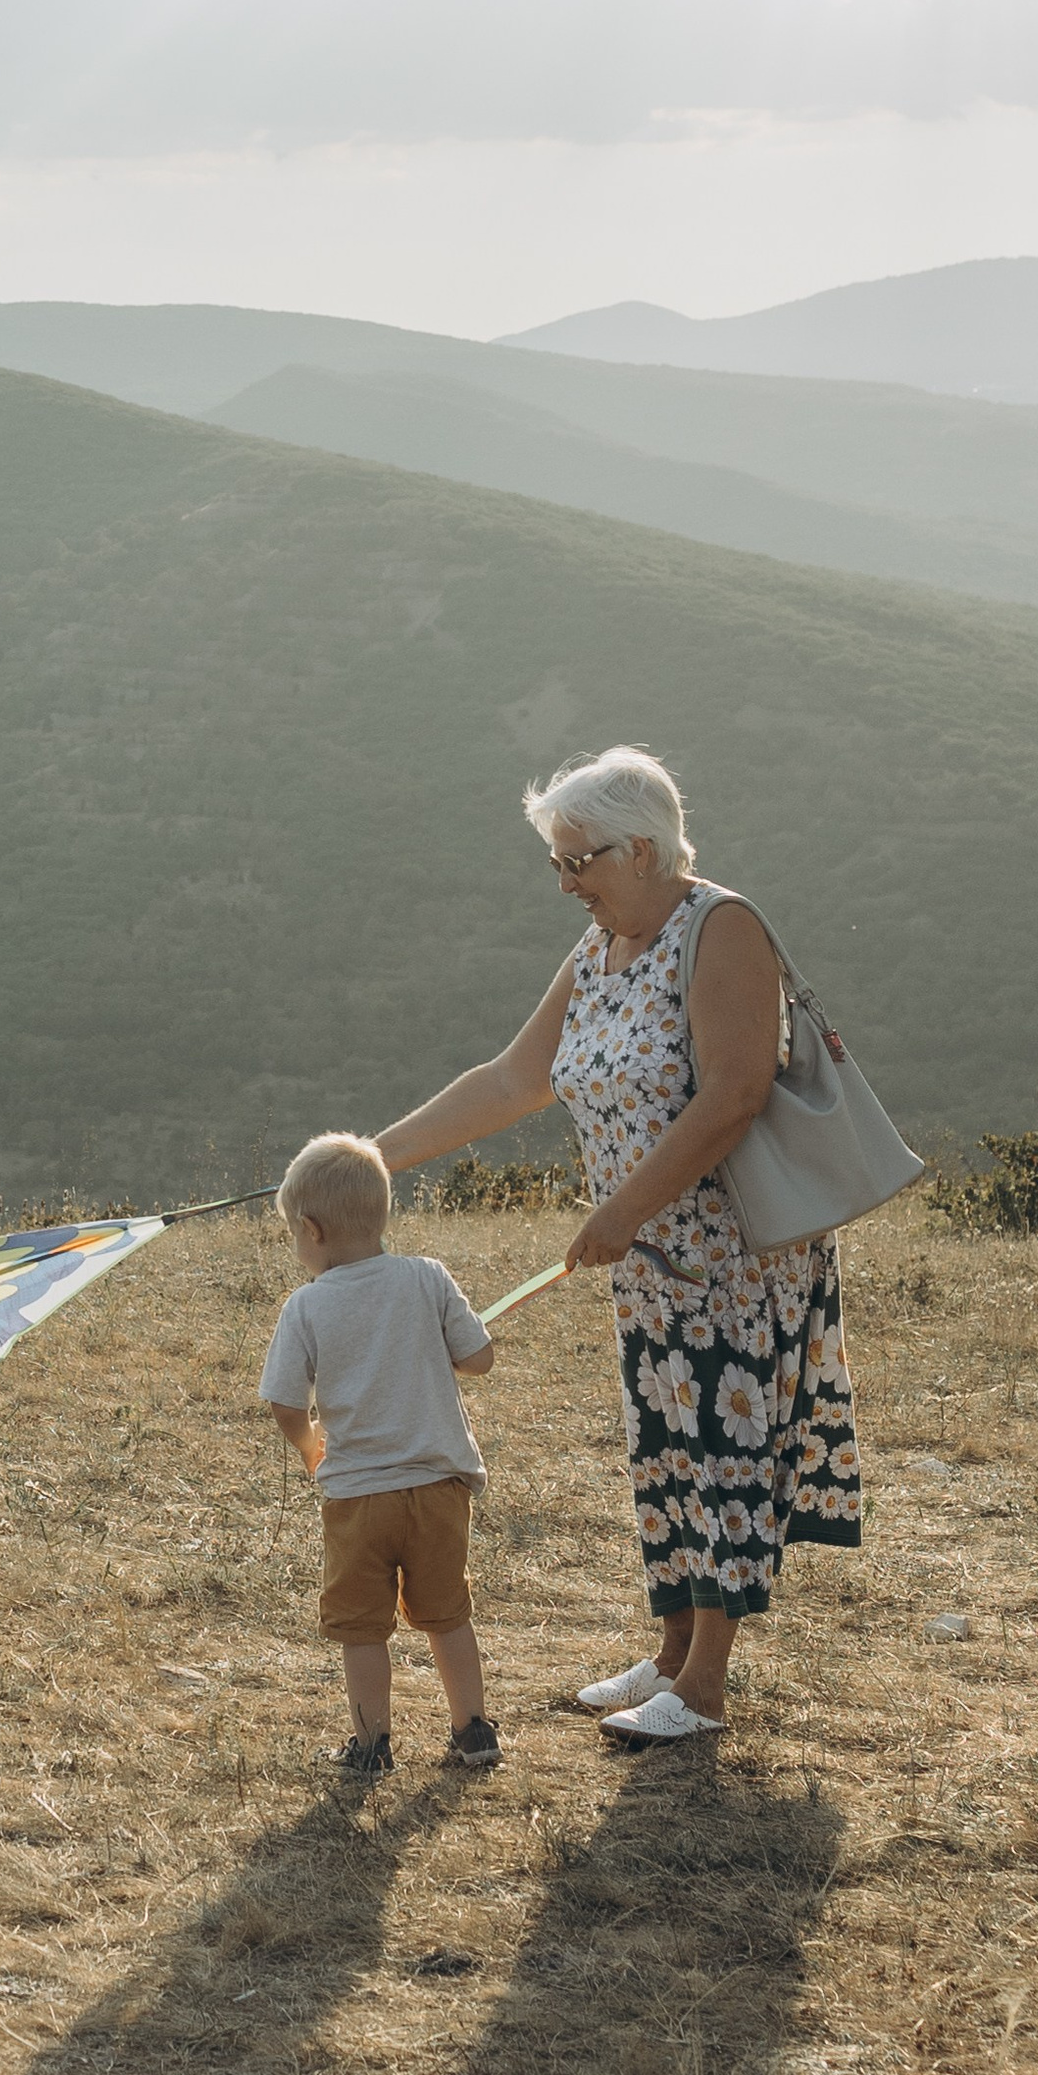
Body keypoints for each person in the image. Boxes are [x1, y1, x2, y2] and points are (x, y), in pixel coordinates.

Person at [371, 747, 860, 1748]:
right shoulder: (599, 948)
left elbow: (734, 1093)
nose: (565, 885)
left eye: (576, 862)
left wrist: (623, 1210)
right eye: (556, 865)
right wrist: (371, 1157)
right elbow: (514, 1081)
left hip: (730, 1257)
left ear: (640, 850)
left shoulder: (723, 929)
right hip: (648, 1265)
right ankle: (673, 1650)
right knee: (665, 1446)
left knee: (724, 1448)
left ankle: (707, 1688)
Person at [257, 1131, 502, 1779]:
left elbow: (285, 1404)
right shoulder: (426, 1277)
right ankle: (473, 1732)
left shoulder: (306, 1306)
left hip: (358, 1497)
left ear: (310, 1230)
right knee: (447, 1613)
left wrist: (312, 1448)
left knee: (362, 1629)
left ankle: (371, 1747)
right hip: (439, 1489)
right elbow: (479, 1358)